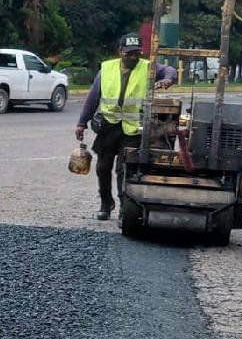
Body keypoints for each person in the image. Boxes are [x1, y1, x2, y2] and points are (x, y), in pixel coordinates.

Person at [75, 32, 177, 220]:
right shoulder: (107, 69)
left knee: (124, 170)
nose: (133, 57)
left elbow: (169, 71)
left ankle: (124, 208)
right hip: (108, 127)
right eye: (128, 53)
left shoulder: (148, 68)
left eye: (136, 53)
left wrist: (168, 79)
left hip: (131, 129)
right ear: (120, 51)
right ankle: (106, 203)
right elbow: (93, 97)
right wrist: (82, 123)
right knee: (102, 168)